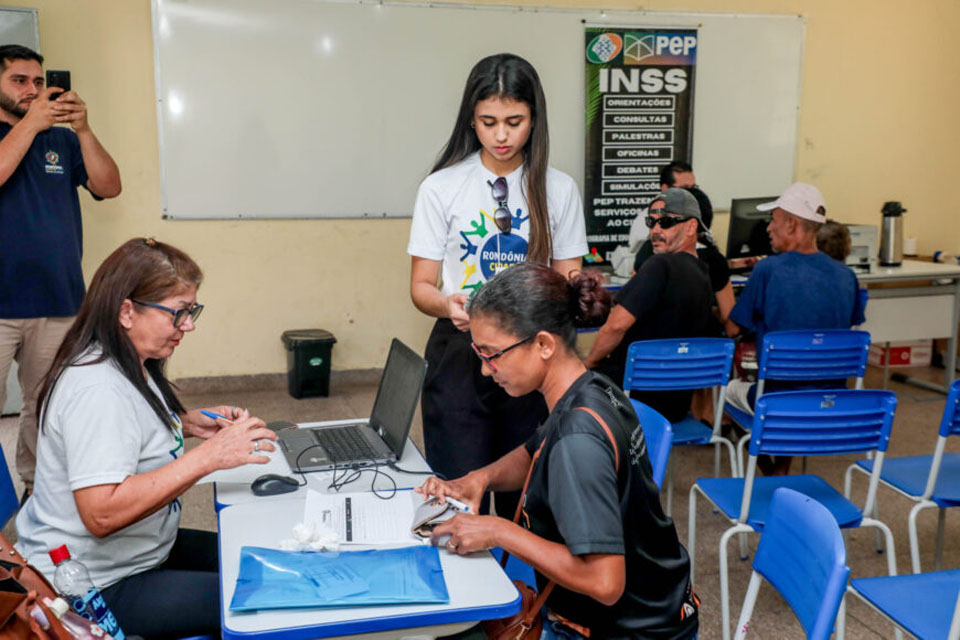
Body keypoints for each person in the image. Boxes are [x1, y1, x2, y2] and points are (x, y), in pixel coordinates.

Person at [418, 263, 698, 640]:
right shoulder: (589, 388)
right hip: (655, 604)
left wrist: (500, 531)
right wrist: (480, 479)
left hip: (625, 630)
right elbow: (533, 451)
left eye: (492, 354)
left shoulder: (577, 442)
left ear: (544, 344)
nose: (486, 371)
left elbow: (604, 582)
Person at [15, 238, 277, 638]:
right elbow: (101, 514)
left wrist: (183, 423)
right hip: (95, 587)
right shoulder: (97, 388)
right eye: (178, 313)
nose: (188, 325)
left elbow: (125, 430)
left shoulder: (129, 360)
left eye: (192, 311)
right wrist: (209, 456)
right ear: (126, 311)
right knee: (266, 595)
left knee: (266, 557)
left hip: (141, 553)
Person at [407, 53, 587, 516]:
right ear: (472, 119)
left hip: (532, 358)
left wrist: (552, 304)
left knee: (525, 492)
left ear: (534, 119)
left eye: (514, 121)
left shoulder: (559, 189)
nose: (502, 135)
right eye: (488, 122)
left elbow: (570, 278)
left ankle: (518, 584)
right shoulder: (441, 187)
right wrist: (449, 305)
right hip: (460, 352)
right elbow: (421, 287)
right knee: (454, 489)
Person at [0, 44, 122, 493]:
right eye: (19, 80)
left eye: (37, 80)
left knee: (46, 405)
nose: (32, 90)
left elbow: (109, 186)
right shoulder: (27, 129)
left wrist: (84, 130)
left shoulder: (62, 139)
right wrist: (31, 125)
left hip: (57, 298)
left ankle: (38, 490)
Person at [727, 183, 865, 474]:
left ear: (791, 224)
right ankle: (782, 468)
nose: (768, 229)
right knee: (796, 383)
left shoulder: (767, 271)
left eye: (773, 220)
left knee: (727, 393)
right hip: (832, 401)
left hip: (778, 401)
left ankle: (771, 471)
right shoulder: (847, 276)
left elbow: (732, 328)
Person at [584, 188, 716, 422]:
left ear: (691, 227)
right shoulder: (703, 273)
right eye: (651, 222)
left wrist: (588, 363)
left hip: (630, 402)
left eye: (665, 222)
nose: (655, 230)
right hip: (675, 405)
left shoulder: (660, 266)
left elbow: (615, 326)